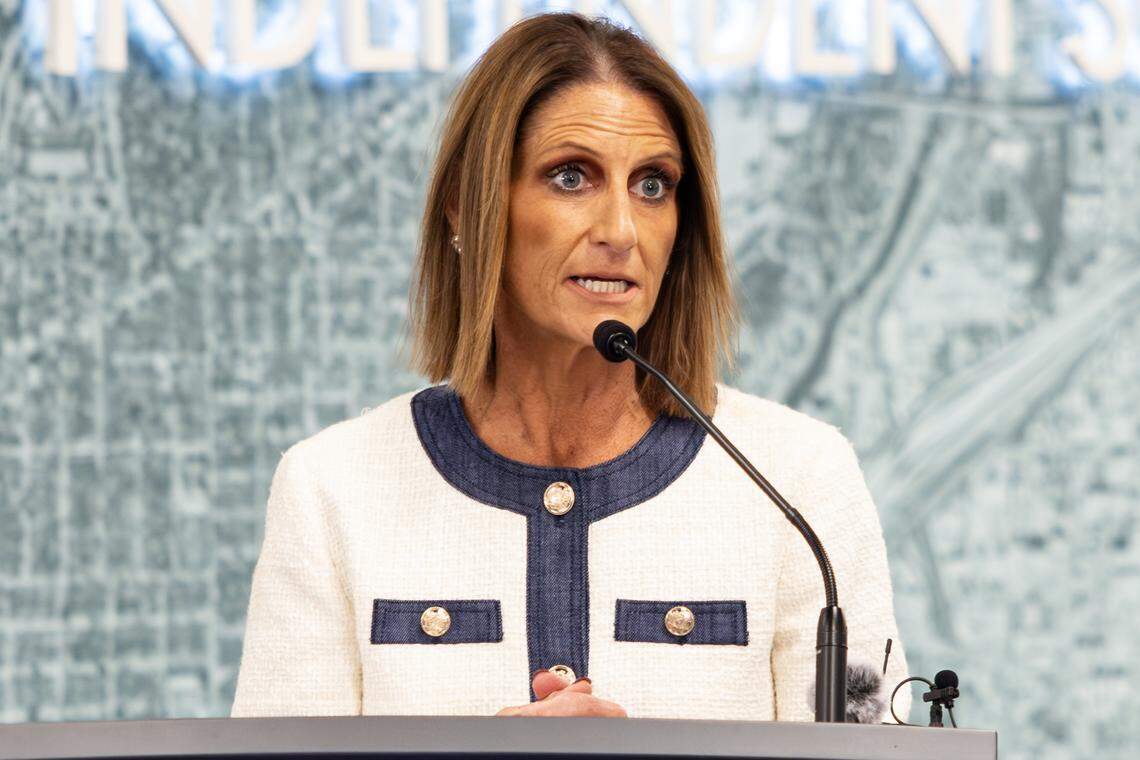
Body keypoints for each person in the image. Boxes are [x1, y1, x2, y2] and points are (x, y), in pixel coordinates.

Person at [230, 12, 911, 721]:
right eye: (570, 177)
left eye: (653, 185)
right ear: (467, 206)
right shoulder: (331, 489)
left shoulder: (798, 482)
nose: (620, 230)